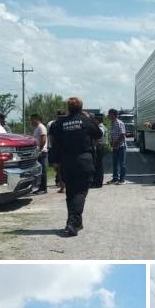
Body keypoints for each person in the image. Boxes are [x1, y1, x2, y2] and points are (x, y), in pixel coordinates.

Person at [47, 97, 102, 236]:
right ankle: (73, 223)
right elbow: (99, 133)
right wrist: (88, 118)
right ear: (81, 108)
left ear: (68, 108)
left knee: (71, 192)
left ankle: (75, 222)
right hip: (84, 161)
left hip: (66, 162)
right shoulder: (86, 121)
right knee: (80, 192)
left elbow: (53, 143)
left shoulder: (58, 123)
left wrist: (54, 161)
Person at [47, 109, 66, 193]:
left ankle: (62, 186)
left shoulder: (54, 124)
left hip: (57, 148)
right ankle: (66, 185)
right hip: (67, 148)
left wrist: (51, 147)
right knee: (67, 167)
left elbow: (51, 137)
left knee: (58, 168)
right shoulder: (68, 123)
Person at [107, 108, 127, 185]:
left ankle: (122, 180)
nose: (108, 115)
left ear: (114, 115)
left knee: (122, 163)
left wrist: (115, 142)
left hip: (121, 146)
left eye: (110, 114)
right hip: (115, 147)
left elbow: (122, 134)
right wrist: (111, 142)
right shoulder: (111, 123)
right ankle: (115, 178)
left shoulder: (119, 123)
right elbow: (111, 134)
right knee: (114, 163)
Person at [30, 114, 49, 194]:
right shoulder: (37, 128)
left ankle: (43, 188)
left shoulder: (41, 127)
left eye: (32, 120)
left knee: (42, 170)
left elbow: (43, 139)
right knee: (39, 170)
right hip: (38, 151)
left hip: (42, 152)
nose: (31, 122)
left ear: (36, 119)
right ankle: (39, 187)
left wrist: (40, 150)